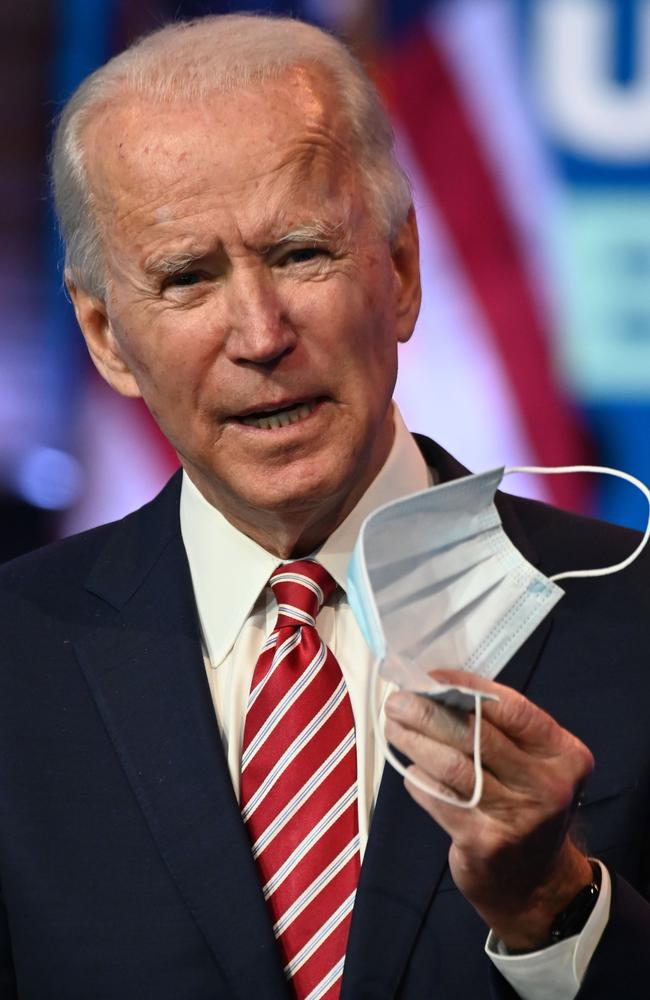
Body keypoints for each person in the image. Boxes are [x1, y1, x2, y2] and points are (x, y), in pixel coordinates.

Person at [1, 13, 649, 1000]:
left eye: (300, 253)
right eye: (186, 277)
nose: (260, 335)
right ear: (102, 335)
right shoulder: (14, 660)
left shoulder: (633, 618)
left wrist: (553, 908)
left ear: (396, 271)